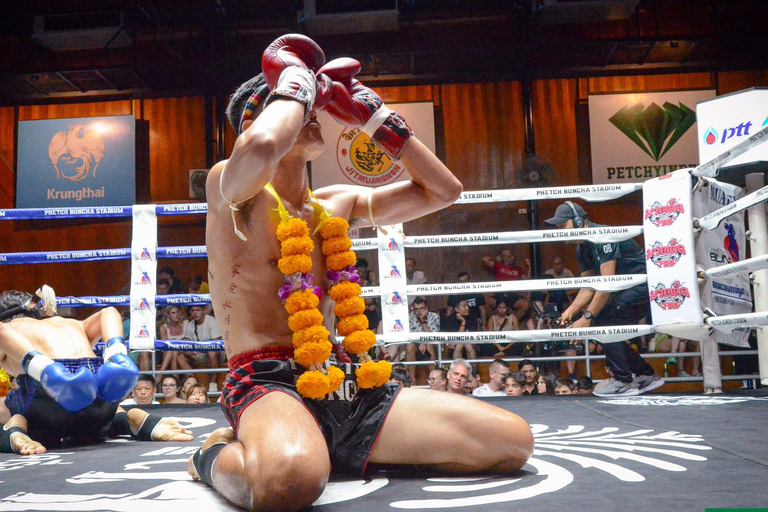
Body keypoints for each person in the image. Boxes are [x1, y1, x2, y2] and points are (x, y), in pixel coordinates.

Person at [189, 34, 532, 511]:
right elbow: (263, 144)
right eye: (301, 103)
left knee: (511, 442)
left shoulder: (337, 202)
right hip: (268, 382)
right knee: (289, 482)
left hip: (345, 378)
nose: (315, 111)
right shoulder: (231, 191)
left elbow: (442, 190)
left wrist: (375, 119)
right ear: (260, 114)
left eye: (314, 103)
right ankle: (211, 454)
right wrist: (296, 82)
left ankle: (327, 446)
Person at [0, 289, 192, 453]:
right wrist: (116, 351)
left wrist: (45, 369)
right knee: (95, 397)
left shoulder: (14, 327)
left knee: (6, 406)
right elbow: (108, 312)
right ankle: (133, 418)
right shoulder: (69, 323)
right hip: (98, 406)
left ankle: (17, 427)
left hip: (50, 400)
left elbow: (2, 330)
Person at [545, 201, 664, 397]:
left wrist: (587, 317)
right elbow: (588, 286)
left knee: (604, 322)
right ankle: (645, 374)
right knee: (601, 324)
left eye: (562, 225)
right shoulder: (581, 248)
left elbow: (605, 285)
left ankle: (624, 380)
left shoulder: (603, 236)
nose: (559, 230)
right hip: (626, 289)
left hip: (644, 286)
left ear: (576, 221)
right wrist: (569, 313)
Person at [181, 305, 224, 391]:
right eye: (193, 310)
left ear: (204, 311)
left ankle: (213, 383)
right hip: (198, 354)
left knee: (211, 352)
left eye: (198, 310)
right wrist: (189, 351)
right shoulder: (190, 325)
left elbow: (214, 344)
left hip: (214, 352)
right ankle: (193, 382)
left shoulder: (212, 321)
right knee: (180, 357)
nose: (195, 313)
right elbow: (186, 342)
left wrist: (197, 349)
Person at [405, 297, 439, 381]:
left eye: (421, 309)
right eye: (416, 309)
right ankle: (412, 380)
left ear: (426, 308)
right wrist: (421, 342)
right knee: (410, 346)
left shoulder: (434, 316)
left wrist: (423, 321)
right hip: (415, 343)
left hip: (430, 343)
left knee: (429, 345)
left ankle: (433, 378)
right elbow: (409, 336)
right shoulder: (409, 317)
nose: (419, 311)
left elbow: (432, 337)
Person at [158, 306, 191, 374]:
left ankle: (160, 374)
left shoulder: (186, 323)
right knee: (173, 352)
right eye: (173, 313)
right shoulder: (163, 327)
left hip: (186, 353)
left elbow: (190, 342)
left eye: (177, 312)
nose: (176, 314)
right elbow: (165, 347)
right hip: (168, 355)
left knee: (175, 353)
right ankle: (188, 378)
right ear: (168, 315)